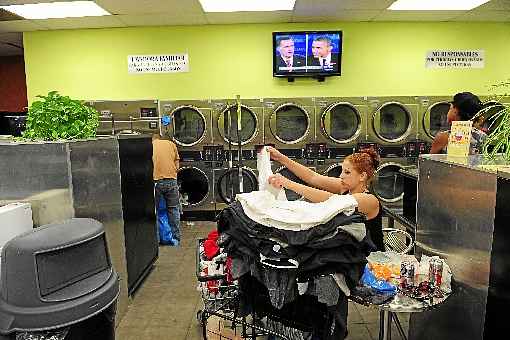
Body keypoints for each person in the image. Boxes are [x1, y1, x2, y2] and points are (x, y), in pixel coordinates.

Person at [266, 147, 384, 251]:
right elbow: (313, 177)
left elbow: (334, 201)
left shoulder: (369, 200)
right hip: (349, 249)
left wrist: (288, 183)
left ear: (362, 176)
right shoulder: (346, 187)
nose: (341, 176)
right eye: (342, 171)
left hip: (371, 258)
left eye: (347, 172)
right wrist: (280, 158)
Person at [152, 133, 181, 245]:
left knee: (155, 210)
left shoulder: (151, 146)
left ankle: (157, 239)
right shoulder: (171, 144)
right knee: (173, 209)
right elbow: (177, 166)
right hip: (172, 180)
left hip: (156, 181)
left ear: (153, 139)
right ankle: (176, 238)